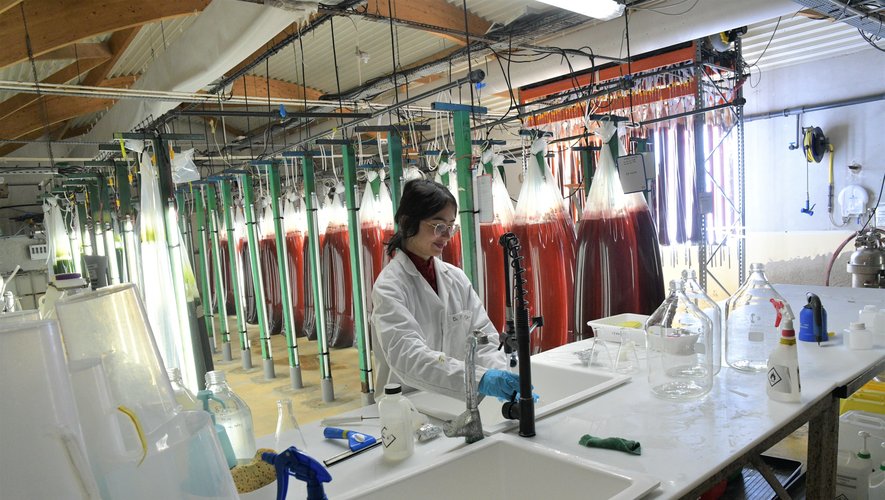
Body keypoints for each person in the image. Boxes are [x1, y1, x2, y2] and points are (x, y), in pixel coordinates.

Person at [371, 178, 524, 402]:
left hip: (456, 399)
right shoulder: (389, 287)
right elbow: (408, 356)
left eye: (451, 226)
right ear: (407, 222)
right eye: (438, 226)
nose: (447, 235)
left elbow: (485, 340)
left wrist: (501, 376)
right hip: (409, 405)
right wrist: (481, 379)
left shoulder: (456, 278)